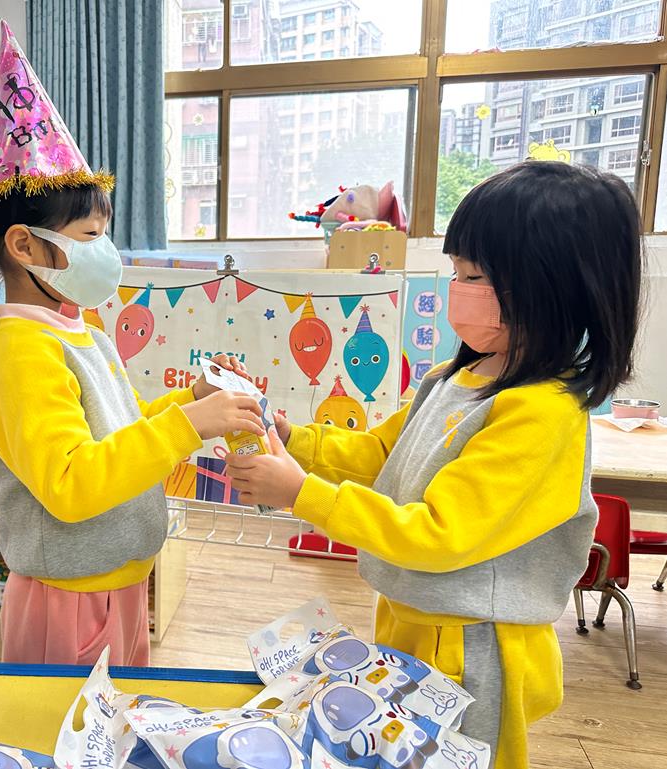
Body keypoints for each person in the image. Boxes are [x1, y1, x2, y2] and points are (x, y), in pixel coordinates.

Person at [225, 161, 642, 769]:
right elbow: (380, 456)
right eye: (456, 273)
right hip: (415, 614)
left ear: (548, 287)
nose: (457, 289)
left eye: (473, 276)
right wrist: (292, 436)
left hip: (473, 643)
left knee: (462, 756)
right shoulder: (455, 377)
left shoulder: (541, 412)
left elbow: (440, 534)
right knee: (401, 750)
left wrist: (301, 493)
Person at [0, 21, 262, 667]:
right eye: (89, 235)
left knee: (115, 715)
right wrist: (191, 425)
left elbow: (120, 432)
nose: (105, 251)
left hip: (116, 585)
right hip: (68, 599)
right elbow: (73, 481)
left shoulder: (80, 332)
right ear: (25, 245)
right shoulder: (24, 352)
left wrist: (190, 400)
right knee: (65, 724)